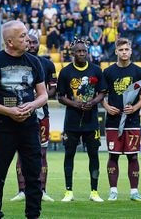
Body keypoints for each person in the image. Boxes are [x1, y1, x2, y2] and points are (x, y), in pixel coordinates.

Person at [0, 20, 48, 219]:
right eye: (23, 36)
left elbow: (43, 94)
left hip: (29, 125)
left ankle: (33, 214)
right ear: (9, 41)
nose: (28, 40)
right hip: (2, 126)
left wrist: (32, 105)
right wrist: (8, 111)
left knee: (33, 173)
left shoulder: (34, 62)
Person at [56, 38, 104, 202]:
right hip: (72, 121)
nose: (82, 54)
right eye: (78, 51)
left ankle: (94, 191)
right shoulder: (65, 72)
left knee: (94, 155)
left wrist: (93, 102)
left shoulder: (96, 70)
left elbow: (102, 92)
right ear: (73, 53)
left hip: (91, 121)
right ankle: (68, 191)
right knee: (69, 154)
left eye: (84, 51)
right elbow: (60, 97)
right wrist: (75, 104)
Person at [101, 37, 141, 201]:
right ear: (116, 51)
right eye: (121, 50)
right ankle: (113, 191)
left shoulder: (138, 71)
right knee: (113, 155)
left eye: (126, 49)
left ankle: (134, 192)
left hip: (132, 121)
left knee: (133, 156)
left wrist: (135, 108)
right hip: (113, 121)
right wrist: (107, 107)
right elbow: (101, 95)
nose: (124, 52)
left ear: (131, 51)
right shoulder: (108, 72)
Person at [12, 33, 58, 202]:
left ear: (40, 45)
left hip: (41, 112)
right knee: (20, 152)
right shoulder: (16, 62)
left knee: (42, 152)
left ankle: (42, 190)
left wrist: (40, 97)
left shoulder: (47, 64)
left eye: (34, 42)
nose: (31, 45)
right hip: (21, 111)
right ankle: (22, 190)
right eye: (28, 42)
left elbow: (53, 89)